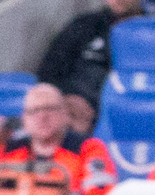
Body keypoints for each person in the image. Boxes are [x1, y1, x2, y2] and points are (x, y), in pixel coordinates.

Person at [38, 0, 151, 135]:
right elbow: (48, 72)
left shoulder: (150, 31)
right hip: (80, 113)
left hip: (136, 112)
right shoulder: (85, 25)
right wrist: (68, 97)